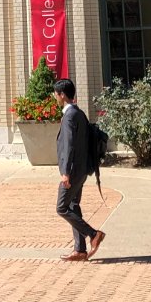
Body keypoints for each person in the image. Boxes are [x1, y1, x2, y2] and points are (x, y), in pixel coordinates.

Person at [53, 78, 106, 261]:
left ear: (62, 95)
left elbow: (69, 146)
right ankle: (80, 250)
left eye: (56, 94)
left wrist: (66, 172)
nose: (55, 97)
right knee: (73, 205)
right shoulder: (79, 113)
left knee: (62, 207)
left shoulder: (70, 116)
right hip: (81, 168)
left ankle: (93, 234)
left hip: (73, 171)